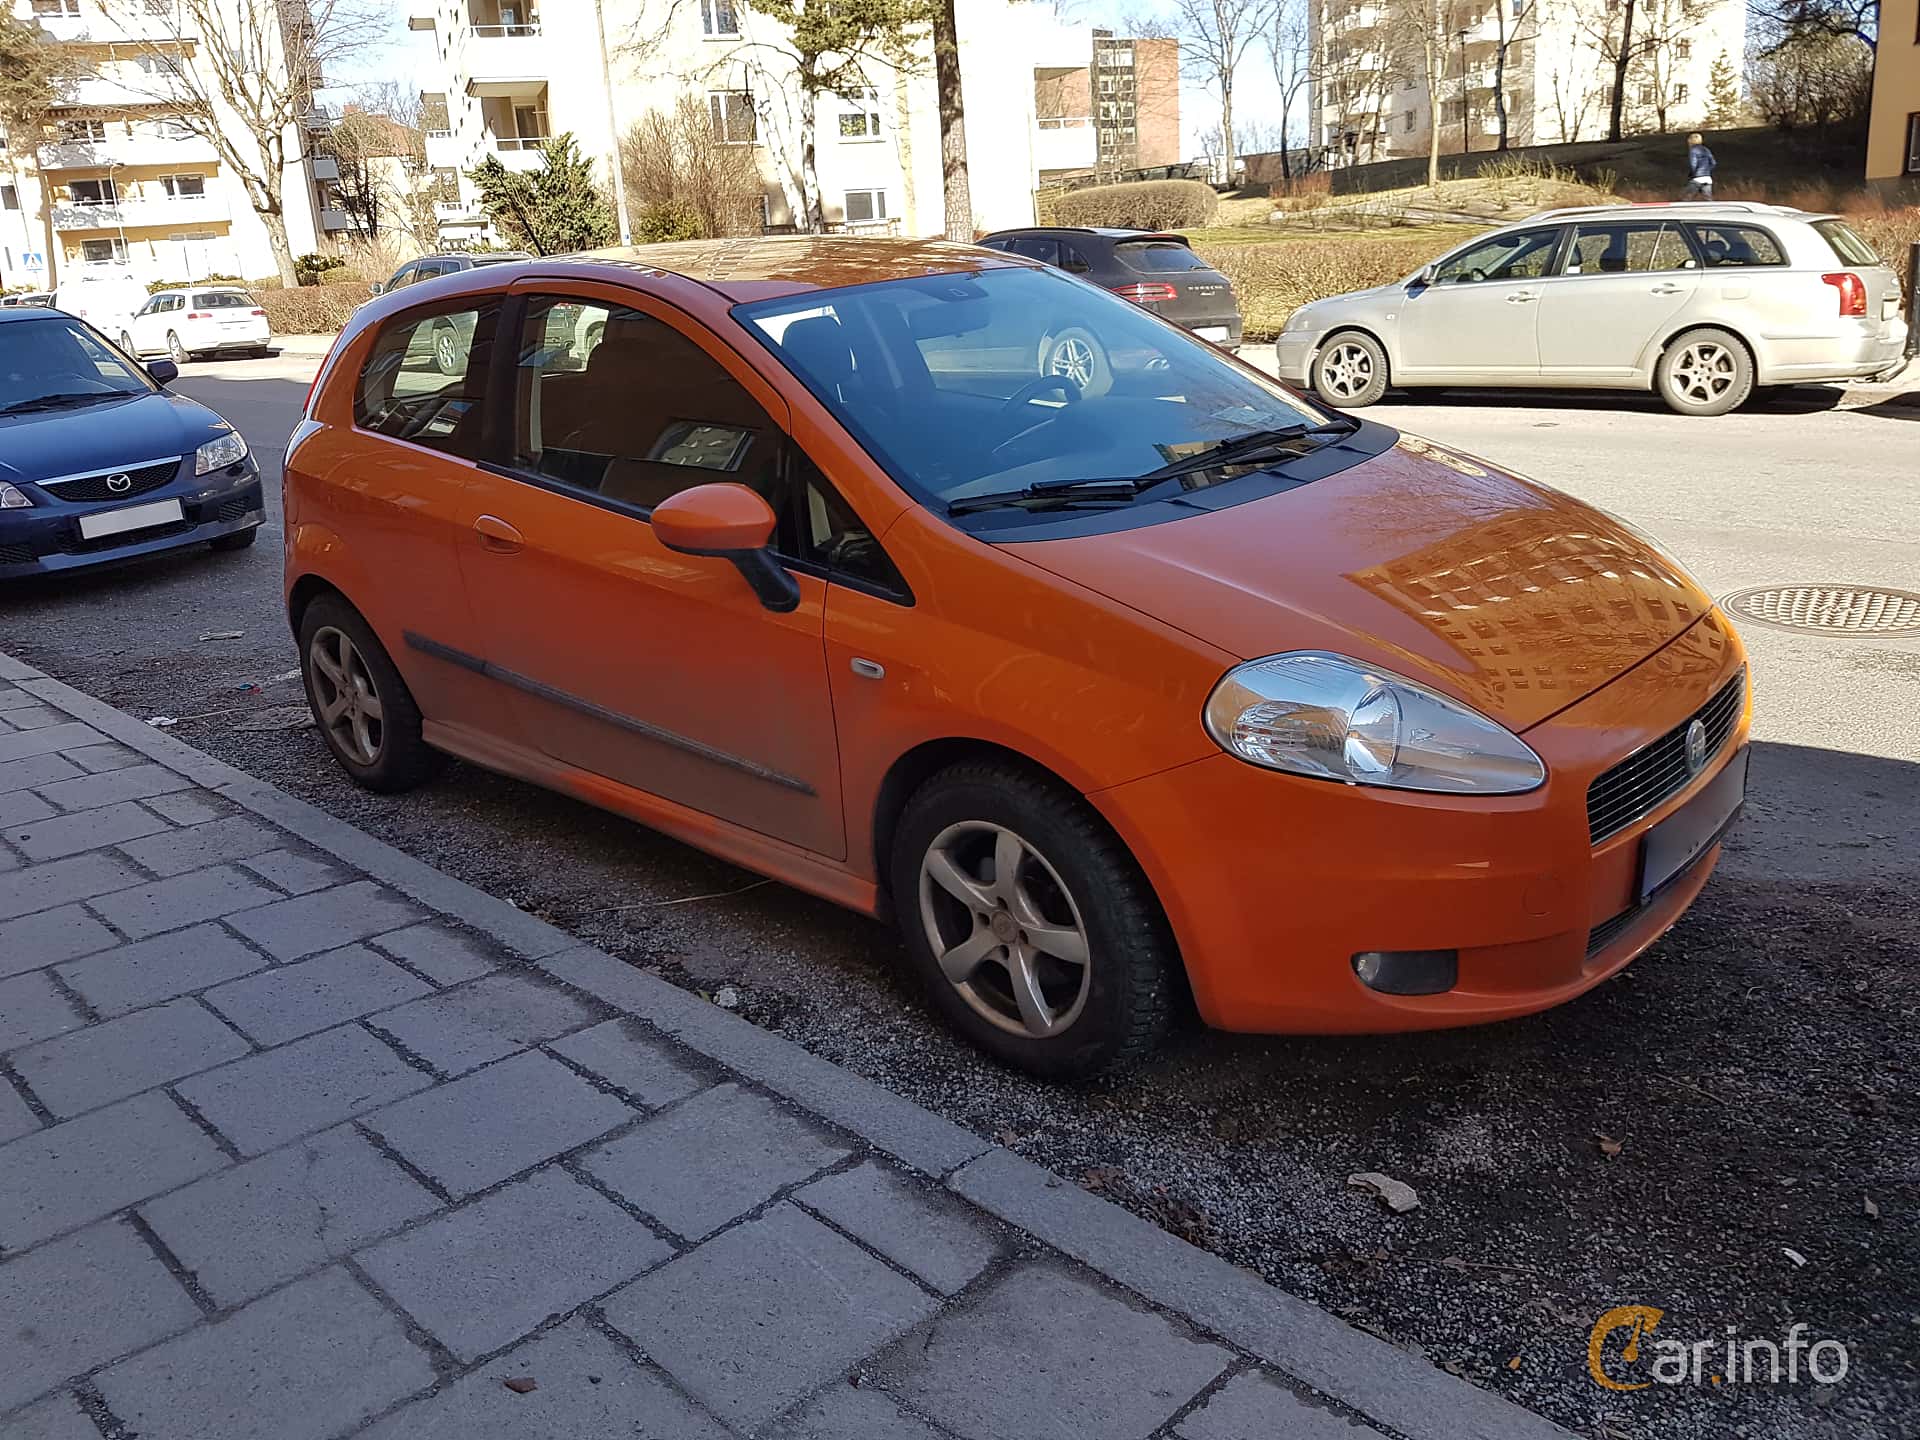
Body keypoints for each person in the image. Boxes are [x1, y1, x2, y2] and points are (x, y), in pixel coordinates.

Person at [1685, 134, 1715, 199]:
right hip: (1707, 178)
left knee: (1687, 198)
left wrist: (1692, 174)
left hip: (1697, 178)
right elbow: (1713, 163)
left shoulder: (1693, 150)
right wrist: (1706, 171)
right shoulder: (1706, 149)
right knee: (1708, 200)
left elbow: (1693, 164)